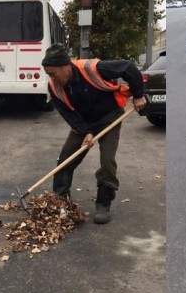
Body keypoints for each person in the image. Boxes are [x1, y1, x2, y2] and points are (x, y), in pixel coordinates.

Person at [41, 43, 147, 224]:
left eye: (53, 73)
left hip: (109, 118)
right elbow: (68, 114)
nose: (51, 78)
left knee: (107, 160)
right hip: (83, 121)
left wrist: (138, 95)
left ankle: (104, 203)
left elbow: (128, 68)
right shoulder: (54, 86)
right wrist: (86, 132)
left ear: (66, 67)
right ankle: (60, 201)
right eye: (48, 74)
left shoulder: (92, 68)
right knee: (65, 160)